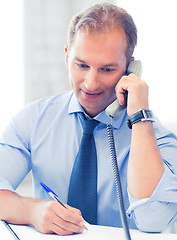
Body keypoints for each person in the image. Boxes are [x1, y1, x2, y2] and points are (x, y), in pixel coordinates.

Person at [0, 3, 177, 236]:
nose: (90, 83)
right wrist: (31, 210)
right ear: (66, 57)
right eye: (81, 65)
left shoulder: (158, 139)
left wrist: (140, 116)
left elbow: (154, 221)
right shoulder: (33, 120)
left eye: (107, 69)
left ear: (130, 68)